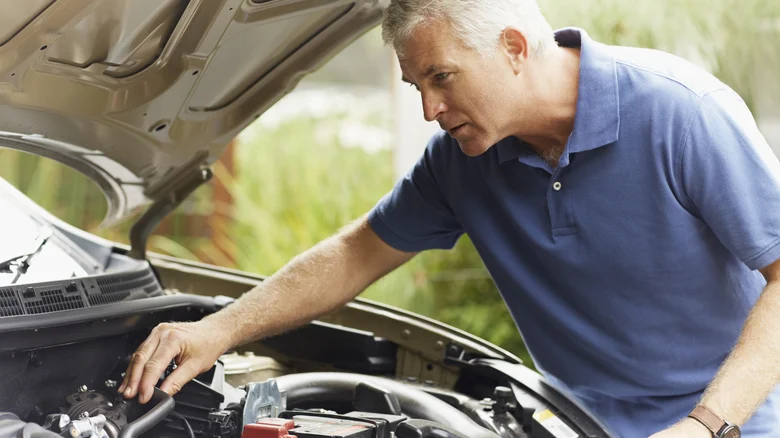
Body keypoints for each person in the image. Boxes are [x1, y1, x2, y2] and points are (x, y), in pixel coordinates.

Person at [118, 0, 780, 436]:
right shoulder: (463, 159)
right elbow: (354, 254)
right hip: (579, 423)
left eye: (442, 77)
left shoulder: (678, 113)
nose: (430, 110)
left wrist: (703, 426)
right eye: (416, 88)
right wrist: (218, 331)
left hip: (731, 422)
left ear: (515, 47)